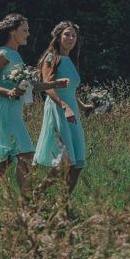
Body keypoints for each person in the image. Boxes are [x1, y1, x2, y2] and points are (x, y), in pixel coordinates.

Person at [0, 14, 68, 214]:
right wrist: (8, 92)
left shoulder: (16, 55)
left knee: (3, 162)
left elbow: (29, 86)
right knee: (26, 155)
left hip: (14, 114)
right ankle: (28, 207)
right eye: (24, 30)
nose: (28, 34)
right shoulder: (3, 54)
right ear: (12, 32)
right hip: (4, 113)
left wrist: (53, 84)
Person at [33, 21, 93, 194]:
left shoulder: (71, 61)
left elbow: (70, 90)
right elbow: (48, 85)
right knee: (65, 161)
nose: (71, 38)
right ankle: (38, 193)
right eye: (67, 34)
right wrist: (64, 106)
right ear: (58, 37)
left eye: (74, 35)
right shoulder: (51, 57)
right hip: (58, 109)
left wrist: (83, 106)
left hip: (72, 111)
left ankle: (61, 205)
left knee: (77, 163)